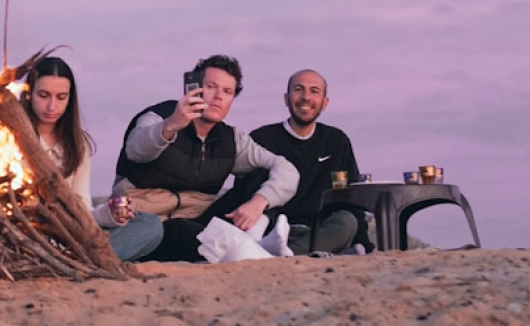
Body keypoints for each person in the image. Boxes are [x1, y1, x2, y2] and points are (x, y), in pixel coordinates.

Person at [115, 55, 297, 262]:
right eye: (211, 86)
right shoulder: (158, 117)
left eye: (227, 92)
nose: (219, 96)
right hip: (152, 224)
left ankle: (252, 240)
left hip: (200, 222)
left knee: (262, 177)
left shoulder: (231, 139)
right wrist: (173, 124)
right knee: (180, 229)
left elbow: (286, 168)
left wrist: (258, 202)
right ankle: (254, 249)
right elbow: (136, 150)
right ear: (194, 88)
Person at [23, 53, 163, 262]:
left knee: (149, 225)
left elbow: (82, 209)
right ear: (29, 94)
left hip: (68, 236)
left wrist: (109, 214)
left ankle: (75, 259)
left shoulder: (79, 144)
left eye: (61, 97)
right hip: (25, 233)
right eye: (43, 95)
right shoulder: (8, 138)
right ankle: (80, 258)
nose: (52, 106)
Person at [241, 70, 363, 255]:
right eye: (298, 89)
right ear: (286, 98)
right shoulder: (262, 138)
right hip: (272, 229)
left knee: (347, 221)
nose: (305, 97)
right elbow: (246, 196)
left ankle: (280, 255)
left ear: (324, 102)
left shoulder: (336, 141)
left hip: (319, 231)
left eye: (314, 91)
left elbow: (351, 196)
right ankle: (289, 252)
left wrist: (365, 244)